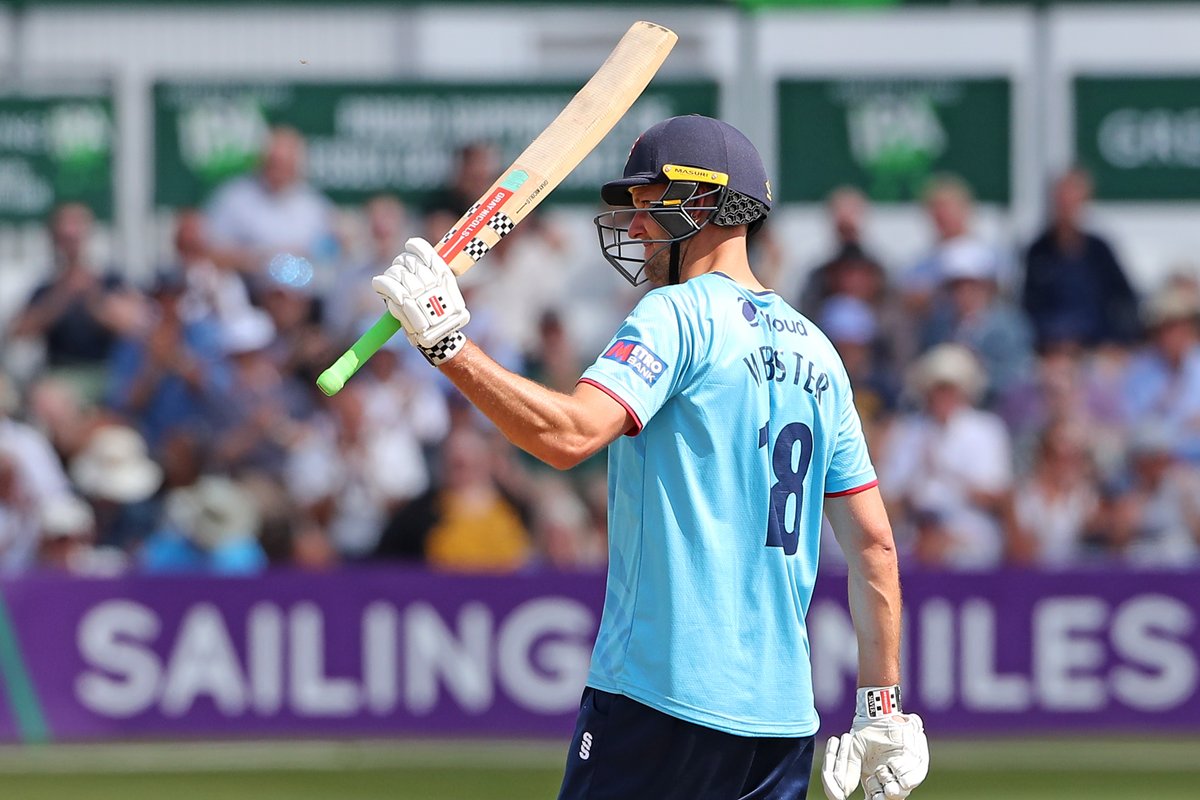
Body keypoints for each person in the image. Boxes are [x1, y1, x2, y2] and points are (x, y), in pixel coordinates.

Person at [369, 114, 927, 800]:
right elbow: (874, 546)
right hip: (781, 723)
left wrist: (447, 344)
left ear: (701, 202)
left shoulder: (677, 314)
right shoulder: (820, 350)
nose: (634, 229)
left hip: (662, 695)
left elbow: (569, 436)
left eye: (647, 207)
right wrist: (881, 709)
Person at [1022, 167, 1140, 349]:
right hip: (1051, 350)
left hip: (1097, 347)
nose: (1067, 208)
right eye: (1062, 202)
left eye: (1073, 202)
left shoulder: (1100, 251)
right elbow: (1029, 309)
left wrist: (1116, 343)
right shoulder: (1037, 252)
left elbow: (1125, 301)